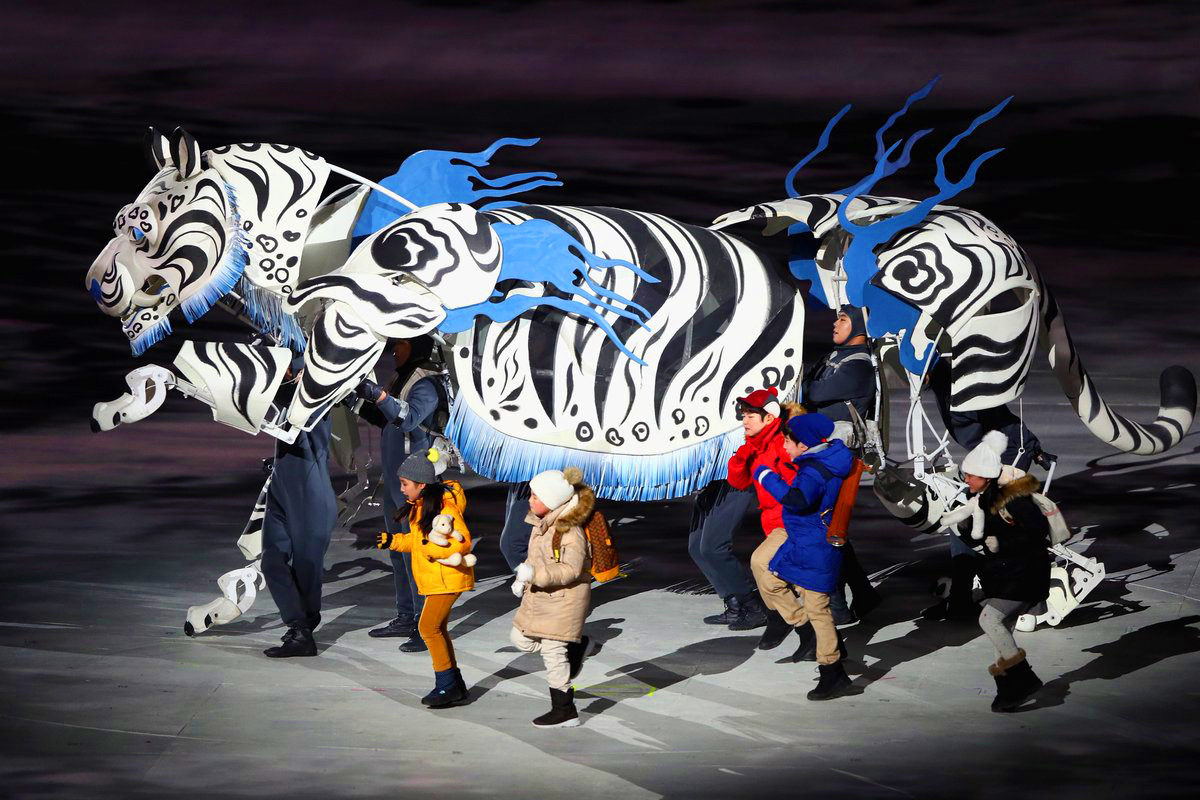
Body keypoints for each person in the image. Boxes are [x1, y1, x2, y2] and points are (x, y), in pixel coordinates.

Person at [749, 412, 855, 700]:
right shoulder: (824, 460)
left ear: (804, 445)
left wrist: (766, 477)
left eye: (787, 441)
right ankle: (813, 633)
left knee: (818, 608)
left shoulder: (813, 471)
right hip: (802, 541)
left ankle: (832, 672)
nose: (784, 446)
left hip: (814, 546)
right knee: (770, 580)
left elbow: (797, 500)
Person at [363, 447, 475, 708]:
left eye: (405, 484)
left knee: (427, 629)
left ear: (421, 484)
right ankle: (454, 684)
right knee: (438, 629)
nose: (401, 489)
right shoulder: (421, 506)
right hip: (437, 579)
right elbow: (416, 540)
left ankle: (446, 685)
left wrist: (430, 549)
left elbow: (462, 542)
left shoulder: (444, 508)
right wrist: (392, 541)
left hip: (447, 578)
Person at [356, 336, 444, 653]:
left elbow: (409, 418)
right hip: (397, 483)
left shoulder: (428, 382)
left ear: (417, 345)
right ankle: (407, 616)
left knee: (417, 556)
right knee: (398, 551)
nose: (394, 349)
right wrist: (356, 396)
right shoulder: (402, 377)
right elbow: (387, 419)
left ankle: (425, 626)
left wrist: (378, 394)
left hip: (418, 485)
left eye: (401, 343)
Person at [954, 432, 1051, 712]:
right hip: (1005, 575)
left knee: (990, 619)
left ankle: (1024, 679)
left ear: (986, 476)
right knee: (1003, 629)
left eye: (971, 475)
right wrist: (964, 528)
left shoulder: (1014, 499)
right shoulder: (981, 499)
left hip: (1026, 574)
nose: (966, 479)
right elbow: (980, 538)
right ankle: (1009, 690)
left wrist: (1002, 543)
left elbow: (1037, 532)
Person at [802, 304, 883, 625]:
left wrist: (808, 384)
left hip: (838, 460)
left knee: (823, 531)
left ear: (860, 326)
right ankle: (864, 593)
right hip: (823, 457)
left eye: (843, 319)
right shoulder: (836, 357)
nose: (835, 324)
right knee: (830, 530)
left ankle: (836, 608)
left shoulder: (858, 365)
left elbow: (813, 391)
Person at [697, 387, 795, 631]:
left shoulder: (781, 444)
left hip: (791, 521)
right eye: (744, 415)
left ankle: (792, 622)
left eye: (751, 416)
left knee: (765, 567)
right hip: (773, 520)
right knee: (773, 573)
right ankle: (781, 618)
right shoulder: (755, 445)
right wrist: (741, 459)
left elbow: (799, 484)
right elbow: (739, 482)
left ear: (769, 418)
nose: (745, 421)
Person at [260, 360, 338, 659]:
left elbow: (289, 399)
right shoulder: (287, 395)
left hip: (310, 494)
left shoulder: (313, 397)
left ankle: (301, 631)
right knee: (272, 561)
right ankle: (300, 626)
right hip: (283, 488)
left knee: (306, 570)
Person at [510, 467, 596, 728]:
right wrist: (522, 578)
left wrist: (534, 574)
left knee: (552, 653)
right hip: (541, 596)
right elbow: (534, 557)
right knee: (519, 639)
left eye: (536, 496)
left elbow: (571, 569)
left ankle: (564, 710)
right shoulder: (541, 523)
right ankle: (575, 648)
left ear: (553, 501)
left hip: (564, 599)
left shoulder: (570, 530)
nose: (530, 500)